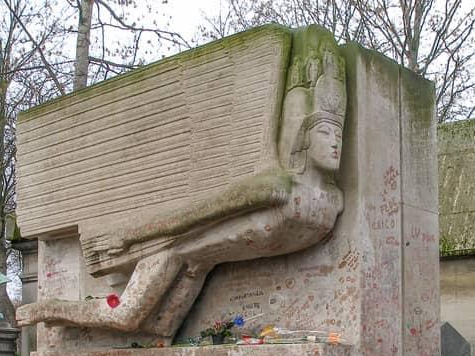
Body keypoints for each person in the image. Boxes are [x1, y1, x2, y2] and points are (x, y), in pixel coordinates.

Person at [17, 28, 346, 339]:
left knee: (158, 332)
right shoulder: (276, 187)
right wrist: (127, 237)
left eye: (339, 133)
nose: (335, 143)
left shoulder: (333, 201)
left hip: (197, 265)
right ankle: (50, 309)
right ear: (303, 136)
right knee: (125, 316)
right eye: (325, 132)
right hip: (170, 249)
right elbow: (197, 215)